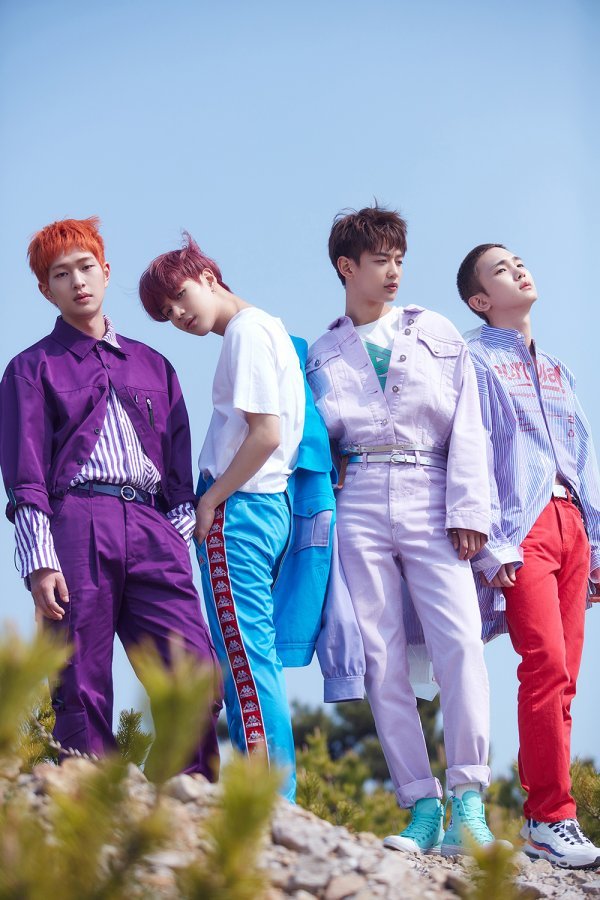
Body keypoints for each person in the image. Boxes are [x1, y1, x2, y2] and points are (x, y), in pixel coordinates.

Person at [306, 205, 505, 856]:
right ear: (347, 267)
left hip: (430, 489)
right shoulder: (322, 352)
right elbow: (314, 441)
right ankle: (421, 804)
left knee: (461, 644)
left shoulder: (435, 330)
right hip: (358, 498)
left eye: (399, 259)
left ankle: (468, 803)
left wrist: (469, 509)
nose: (393, 271)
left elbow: (469, 422)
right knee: (380, 657)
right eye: (379, 260)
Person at [0, 217, 221, 778]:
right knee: (80, 677)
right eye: (61, 274)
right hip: (76, 523)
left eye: (85, 267)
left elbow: (177, 475)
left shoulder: (155, 365)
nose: (77, 281)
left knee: (193, 672)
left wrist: (172, 542)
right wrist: (39, 562)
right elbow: (24, 475)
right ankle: (90, 792)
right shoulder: (29, 369)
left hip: (152, 524)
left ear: (105, 271)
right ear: (45, 290)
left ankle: (186, 795)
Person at [138, 234, 316, 802]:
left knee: (243, 658)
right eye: (166, 314)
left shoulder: (245, 331)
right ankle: (274, 795)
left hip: (240, 509)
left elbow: (265, 434)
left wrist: (211, 500)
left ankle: (266, 801)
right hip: (266, 507)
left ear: (208, 277)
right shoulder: (272, 329)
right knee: (252, 653)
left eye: (179, 296)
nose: (178, 315)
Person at [458, 243, 600, 869]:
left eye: (518, 261)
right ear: (479, 300)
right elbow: (467, 447)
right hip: (522, 524)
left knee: (566, 678)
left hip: (574, 522)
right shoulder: (471, 357)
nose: (518, 269)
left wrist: (596, 541)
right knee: (543, 664)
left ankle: (549, 818)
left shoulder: (558, 368)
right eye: (500, 269)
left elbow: (583, 454)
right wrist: (490, 540)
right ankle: (550, 815)